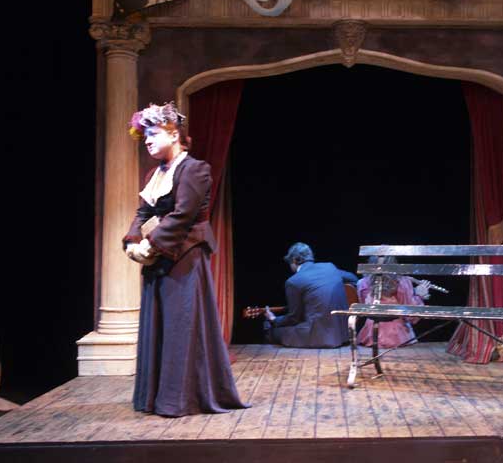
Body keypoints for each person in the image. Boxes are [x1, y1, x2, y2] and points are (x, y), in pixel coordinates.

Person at [124, 102, 249, 417]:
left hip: (185, 255)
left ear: (173, 133)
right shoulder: (155, 174)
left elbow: (183, 215)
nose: (147, 141)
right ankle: (154, 396)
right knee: (158, 324)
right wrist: (132, 240)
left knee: (181, 324)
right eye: (145, 136)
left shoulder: (195, 169)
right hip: (159, 257)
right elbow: (143, 211)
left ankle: (179, 398)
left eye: (153, 134)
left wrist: (150, 244)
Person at [264, 243, 357, 348]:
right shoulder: (329, 267)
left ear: (294, 260)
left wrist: (274, 319)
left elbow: (294, 318)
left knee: (269, 327)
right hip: (343, 336)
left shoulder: (293, 281)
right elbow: (353, 279)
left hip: (317, 337)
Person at [356, 256, 432, 348]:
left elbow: (366, 309)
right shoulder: (402, 282)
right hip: (398, 337)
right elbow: (411, 315)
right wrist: (419, 295)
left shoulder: (362, 283)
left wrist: (413, 291)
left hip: (370, 336)